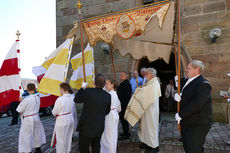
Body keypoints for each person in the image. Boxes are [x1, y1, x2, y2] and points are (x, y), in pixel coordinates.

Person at [174, 60, 212, 153]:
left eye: (188, 68)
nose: (186, 70)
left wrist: (181, 114)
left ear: (197, 69)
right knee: (189, 147)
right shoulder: (187, 80)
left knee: (193, 148)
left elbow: (196, 104)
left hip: (197, 124)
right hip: (187, 121)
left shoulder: (204, 84)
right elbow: (180, 87)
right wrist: (179, 95)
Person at [125, 68, 161, 153]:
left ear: (152, 75)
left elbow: (146, 94)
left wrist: (139, 90)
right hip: (146, 110)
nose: (145, 75)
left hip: (151, 111)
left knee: (151, 128)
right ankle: (147, 143)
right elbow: (144, 89)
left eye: (147, 74)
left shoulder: (155, 83)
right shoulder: (150, 82)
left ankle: (154, 146)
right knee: (145, 127)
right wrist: (140, 89)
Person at [74, 74, 111, 153]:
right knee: (96, 147)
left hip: (86, 127)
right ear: (104, 84)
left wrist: (82, 88)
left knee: (83, 148)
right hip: (99, 126)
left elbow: (76, 99)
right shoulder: (108, 95)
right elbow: (107, 111)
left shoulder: (88, 91)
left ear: (94, 83)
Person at [16, 83, 46, 153]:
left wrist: (21, 101)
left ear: (28, 90)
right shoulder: (37, 97)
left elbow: (19, 110)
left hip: (28, 118)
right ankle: (38, 149)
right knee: (37, 133)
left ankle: (27, 151)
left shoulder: (26, 99)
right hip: (36, 116)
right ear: (34, 89)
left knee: (26, 135)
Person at [51, 82, 77, 153]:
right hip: (70, 118)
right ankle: (67, 150)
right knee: (68, 137)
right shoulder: (72, 97)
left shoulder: (60, 99)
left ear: (62, 89)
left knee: (61, 139)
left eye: (60, 89)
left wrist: (53, 111)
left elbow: (54, 112)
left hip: (62, 119)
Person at [100, 79, 121, 153]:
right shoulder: (114, 93)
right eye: (105, 84)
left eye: (107, 84)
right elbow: (119, 108)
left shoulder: (110, 94)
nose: (105, 85)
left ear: (112, 85)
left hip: (109, 115)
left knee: (108, 136)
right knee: (112, 135)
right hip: (114, 114)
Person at [117, 71, 132, 140]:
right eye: (120, 75)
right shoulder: (124, 83)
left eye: (122, 75)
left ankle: (126, 134)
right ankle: (125, 132)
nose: (120, 77)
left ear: (126, 76)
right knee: (123, 120)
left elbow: (123, 95)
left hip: (124, 105)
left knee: (124, 120)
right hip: (123, 104)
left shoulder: (126, 84)